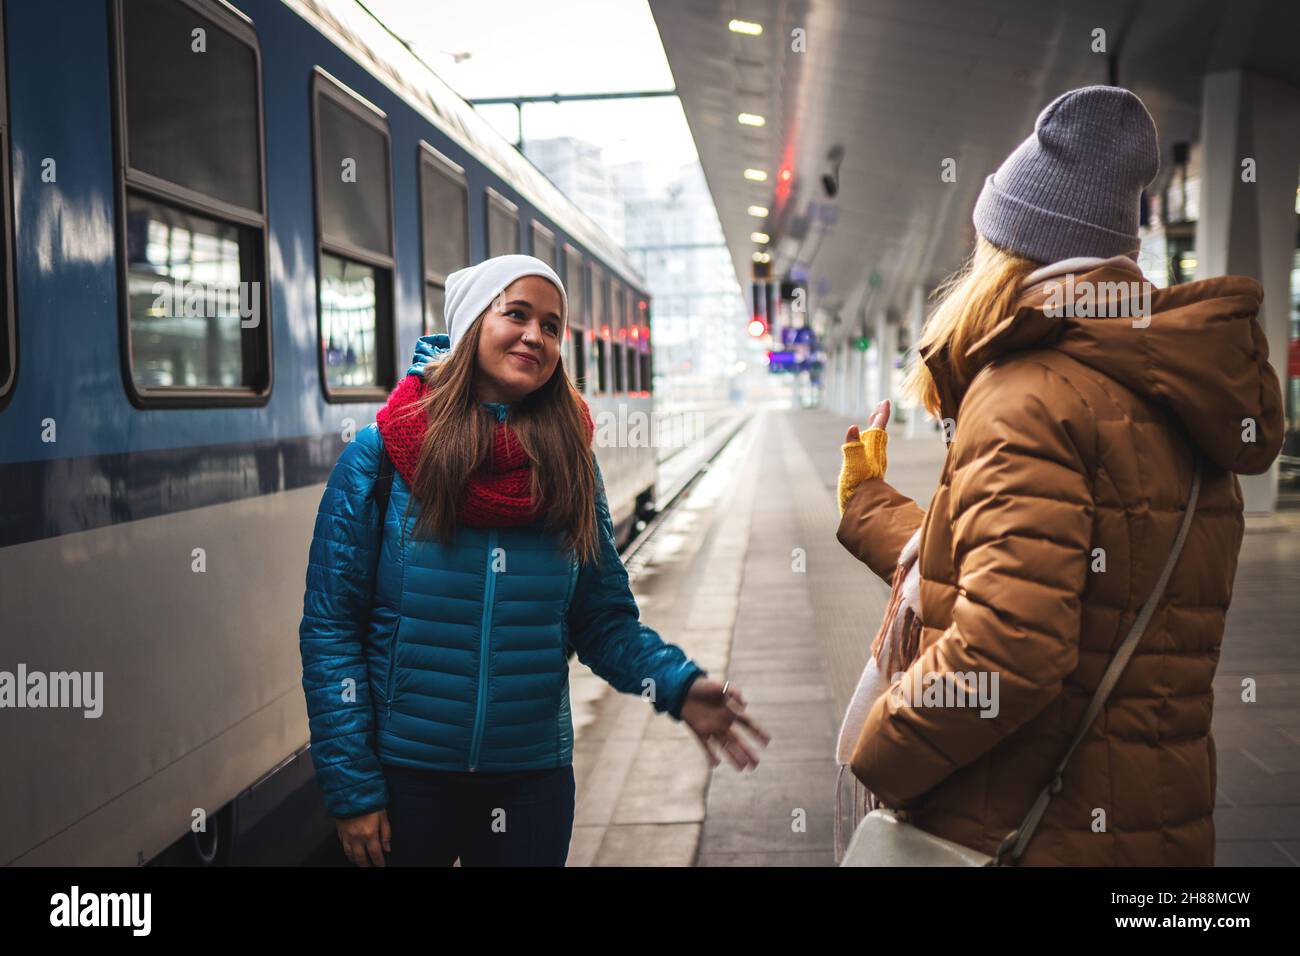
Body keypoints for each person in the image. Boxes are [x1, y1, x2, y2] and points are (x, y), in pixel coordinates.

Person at [835, 86, 1283, 865]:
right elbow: (1073, 575)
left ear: (1010, 247)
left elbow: (1008, 648)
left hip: (1029, 825)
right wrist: (875, 508)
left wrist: (880, 752)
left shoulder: (1029, 394)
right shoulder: (1171, 385)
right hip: (1155, 817)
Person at [299, 254, 769, 866]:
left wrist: (677, 685)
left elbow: (601, 620)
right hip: (407, 778)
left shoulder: (570, 465)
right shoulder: (379, 458)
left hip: (529, 783)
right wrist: (353, 789)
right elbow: (330, 629)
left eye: (551, 327)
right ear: (471, 326)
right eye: (516, 314)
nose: (535, 336)